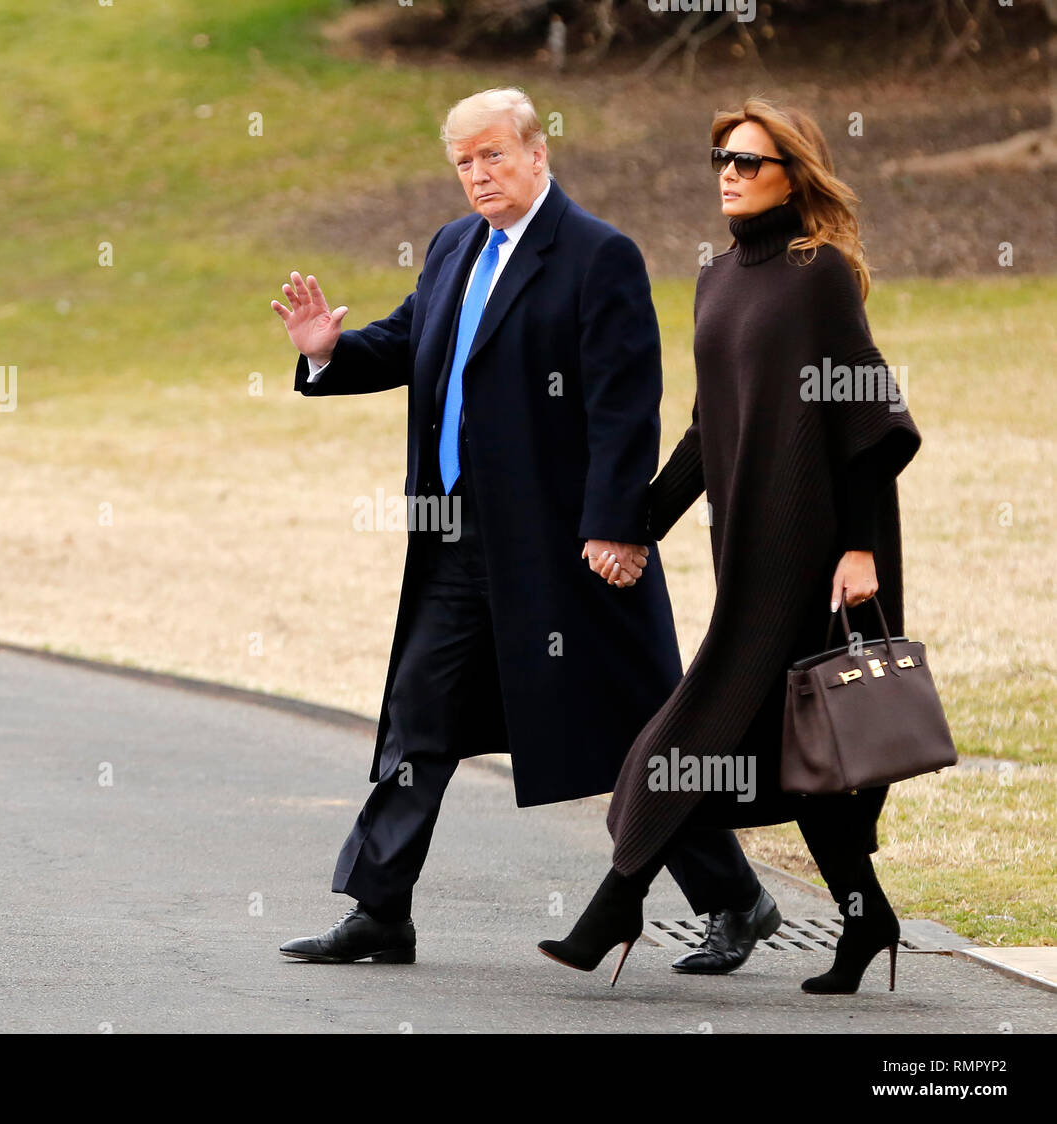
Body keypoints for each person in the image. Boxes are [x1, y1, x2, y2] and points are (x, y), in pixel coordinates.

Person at [270, 87, 778, 970]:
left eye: (493, 155)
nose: (478, 175)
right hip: (455, 541)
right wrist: (325, 352)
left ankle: (735, 898)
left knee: (631, 729)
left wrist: (617, 526)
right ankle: (380, 910)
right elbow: (406, 342)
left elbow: (628, 403)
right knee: (416, 717)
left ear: (539, 154)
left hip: (569, 552)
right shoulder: (454, 246)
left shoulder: (597, 255)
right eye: (464, 162)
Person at [540, 97, 922, 994]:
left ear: (795, 173)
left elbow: (873, 421)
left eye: (749, 161)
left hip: (823, 557)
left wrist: (859, 551)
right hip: (749, 555)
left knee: (685, 736)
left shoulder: (817, 272)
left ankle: (613, 906)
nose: (729, 173)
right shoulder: (717, 279)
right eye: (721, 157)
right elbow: (710, 435)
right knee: (806, 756)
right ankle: (869, 922)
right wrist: (632, 524)